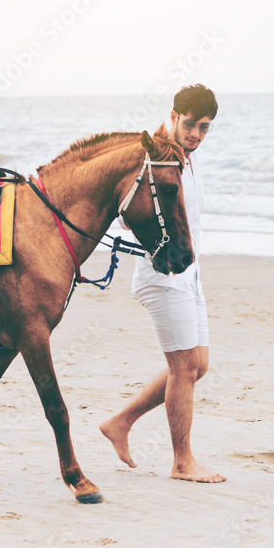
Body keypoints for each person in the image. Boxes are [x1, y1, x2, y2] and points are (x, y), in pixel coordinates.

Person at [100, 84, 226, 483]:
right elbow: (127, 211)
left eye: (205, 128)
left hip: (189, 273)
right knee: (184, 366)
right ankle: (182, 461)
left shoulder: (187, 156)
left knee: (197, 366)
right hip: (163, 273)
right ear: (173, 117)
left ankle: (120, 422)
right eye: (190, 125)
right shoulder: (154, 155)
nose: (196, 134)